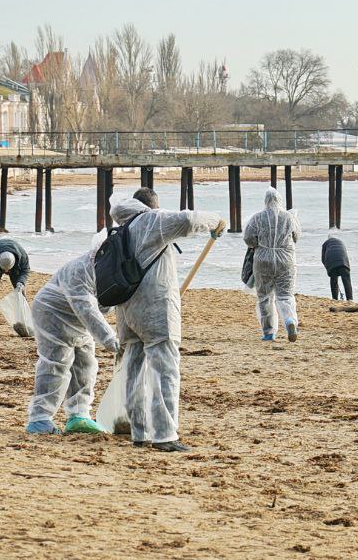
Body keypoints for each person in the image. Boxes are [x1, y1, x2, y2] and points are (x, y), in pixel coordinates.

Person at [109, 188, 225, 453]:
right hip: (156, 310)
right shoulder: (152, 220)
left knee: (134, 371)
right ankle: (164, 435)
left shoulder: (123, 227)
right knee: (166, 371)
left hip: (127, 310)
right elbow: (188, 220)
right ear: (152, 206)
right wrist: (216, 220)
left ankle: (139, 432)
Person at [25, 245, 120, 435]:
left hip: (77, 320)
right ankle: (40, 417)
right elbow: (86, 309)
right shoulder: (79, 270)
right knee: (56, 364)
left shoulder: (113, 271)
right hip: (52, 313)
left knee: (85, 364)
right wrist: (110, 339)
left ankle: (79, 414)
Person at [242, 187, 300, 342]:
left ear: (266, 201)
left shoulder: (257, 218)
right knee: (285, 295)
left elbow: (248, 238)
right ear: (280, 200)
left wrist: (260, 243)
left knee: (265, 297)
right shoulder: (289, 217)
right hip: (286, 260)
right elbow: (296, 236)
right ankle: (290, 321)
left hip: (263, 260)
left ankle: (269, 332)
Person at [321, 235, 352, 301]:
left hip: (331, 262)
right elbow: (345, 255)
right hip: (343, 262)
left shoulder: (325, 244)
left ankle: (334, 298)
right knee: (346, 281)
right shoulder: (341, 242)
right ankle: (350, 299)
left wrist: (328, 268)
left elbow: (323, 259)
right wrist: (347, 268)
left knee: (334, 280)